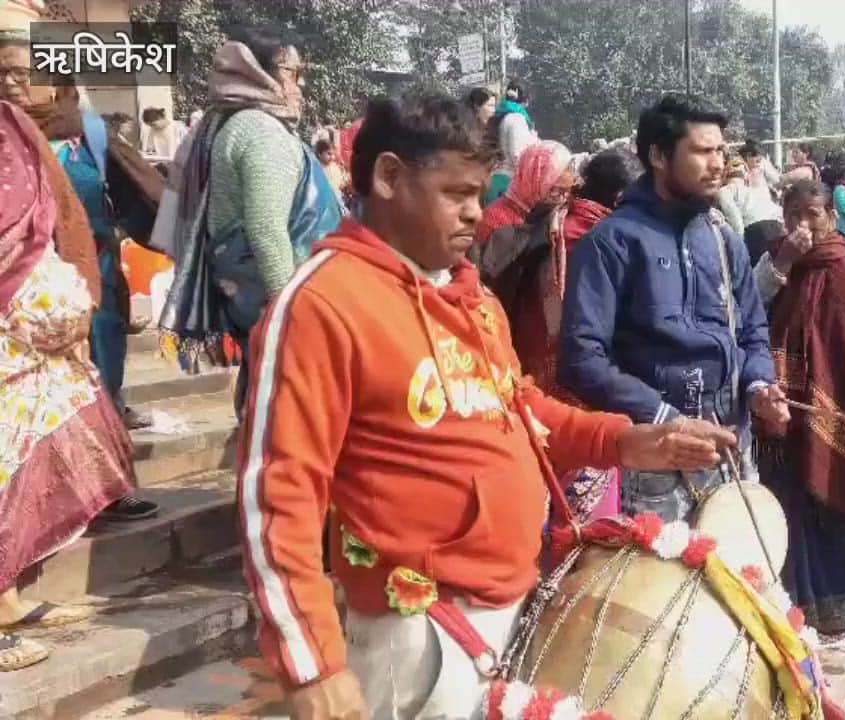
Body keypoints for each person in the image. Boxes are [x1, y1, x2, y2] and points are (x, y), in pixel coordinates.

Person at [237, 91, 735, 719]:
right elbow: (277, 493)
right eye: (457, 194)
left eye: (479, 193)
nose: (478, 213)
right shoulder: (322, 304)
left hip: (511, 609)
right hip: (417, 634)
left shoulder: (470, 298)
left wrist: (628, 440)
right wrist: (311, 663)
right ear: (389, 177)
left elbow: (520, 408)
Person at [559, 94, 790, 522]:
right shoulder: (612, 242)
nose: (719, 163)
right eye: (703, 151)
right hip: (655, 463)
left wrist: (759, 386)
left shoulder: (723, 239)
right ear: (659, 156)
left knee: (737, 582)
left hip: (730, 449)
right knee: (663, 583)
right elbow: (581, 358)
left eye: (722, 150)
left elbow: (754, 330)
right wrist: (664, 416)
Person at [0, 100, 135, 671]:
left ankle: (7, 598)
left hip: (27, 335)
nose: (19, 80)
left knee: (25, 457)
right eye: (6, 68)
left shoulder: (19, 126)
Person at [156, 29, 343, 420]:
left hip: (254, 295)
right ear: (260, 73)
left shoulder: (233, 124)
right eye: (293, 71)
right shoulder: (260, 132)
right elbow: (267, 231)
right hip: (280, 294)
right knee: (289, 404)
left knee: (265, 390)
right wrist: (292, 315)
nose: (300, 83)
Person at [760, 180, 845, 646]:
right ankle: (793, 610)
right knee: (788, 515)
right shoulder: (781, 263)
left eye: (813, 213)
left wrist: (837, 406)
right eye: (794, 213)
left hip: (831, 421)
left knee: (828, 510)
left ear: (831, 217)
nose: (803, 224)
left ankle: (834, 614)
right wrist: (781, 264)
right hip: (782, 421)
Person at [493, 149, 642, 522]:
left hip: (532, 381)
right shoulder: (609, 238)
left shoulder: (549, 222)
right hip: (587, 395)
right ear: (623, 198)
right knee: (589, 532)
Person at [473, 139, 573, 279]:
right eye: (555, 190)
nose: (562, 198)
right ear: (533, 178)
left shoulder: (554, 217)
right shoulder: (494, 220)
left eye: (567, 190)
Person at [716, 154, 784, 264]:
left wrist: (740, 248)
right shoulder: (755, 192)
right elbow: (778, 210)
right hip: (777, 228)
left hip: (756, 233)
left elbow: (735, 219)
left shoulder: (725, 191)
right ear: (746, 177)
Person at [484, 80, 537, 206]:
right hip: (508, 184)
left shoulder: (499, 116)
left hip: (495, 180)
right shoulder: (516, 119)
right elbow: (516, 154)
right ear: (525, 101)